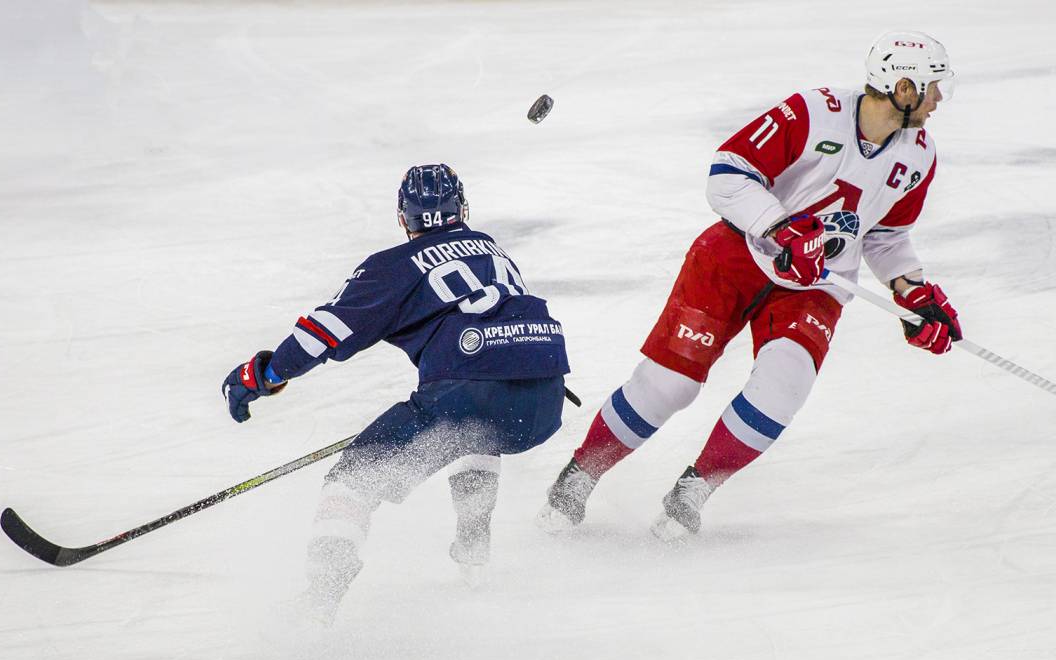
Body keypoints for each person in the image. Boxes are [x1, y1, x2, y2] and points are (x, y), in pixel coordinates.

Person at [536, 31, 961, 541]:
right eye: (934, 87)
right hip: (734, 257)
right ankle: (579, 476)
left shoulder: (919, 156)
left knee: (784, 386)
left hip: (815, 285)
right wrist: (781, 230)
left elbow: (887, 235)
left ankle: (692, 492)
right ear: (904, 86)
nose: (939, 100)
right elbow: (727, 174)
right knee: (671, 385)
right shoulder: (813, 112)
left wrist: (910, 292)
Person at [222, 164, 569, 621]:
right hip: (545, 396)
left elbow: (326, 332)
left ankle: (318, 602)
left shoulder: (394, 266)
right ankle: (473, 543)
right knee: (478, 430)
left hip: (469, 394)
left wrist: (260, 375)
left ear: (404, 218)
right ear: (461, 209)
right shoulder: (492, 249)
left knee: (352, 482)